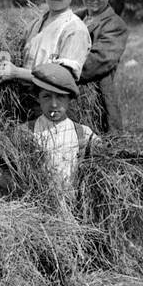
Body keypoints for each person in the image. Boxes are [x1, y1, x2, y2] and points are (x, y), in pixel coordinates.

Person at [0, 0, 91, 118]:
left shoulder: (75, 29)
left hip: (53, 106)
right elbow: (23, 55)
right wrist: (6, 60)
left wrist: (15, 73)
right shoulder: (36, 23)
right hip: (25, 100)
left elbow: (61, 79)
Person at [25, 63, 94, 191]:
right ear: (37, 98)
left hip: (73, 203)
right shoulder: (25, 132)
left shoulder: (83, 133)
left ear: (70, 99)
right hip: (37, 203)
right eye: (46, 96)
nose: (54, 104)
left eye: (60, 97)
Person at [77, 0, 129, 134]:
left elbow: (95, 63)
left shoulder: (115, 25)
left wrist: (56, 68)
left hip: (95, 101)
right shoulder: (76, 17)